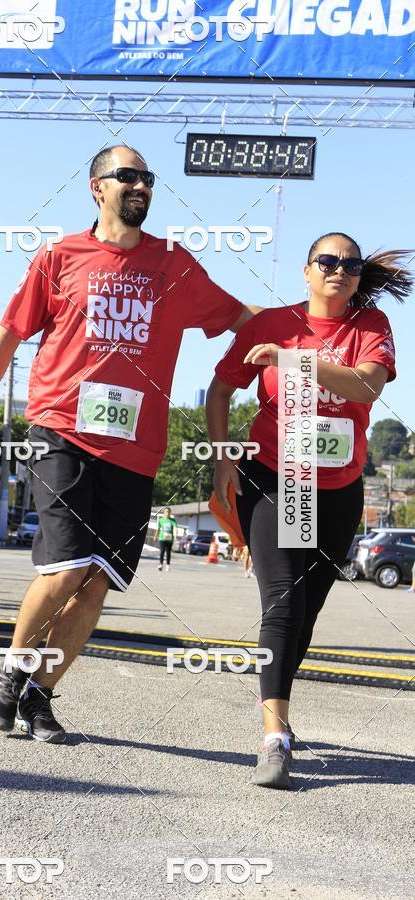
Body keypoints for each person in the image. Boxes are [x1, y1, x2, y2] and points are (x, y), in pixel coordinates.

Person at [0, 144, 262, 744]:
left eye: (147, 177)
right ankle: (9, 674)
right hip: (61, 429)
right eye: (128, 176)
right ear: (97, 187)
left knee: (97, 584)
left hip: (136, 450)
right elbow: (8, 337)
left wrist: (308, 328)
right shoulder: (59, 256)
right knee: (67, 567)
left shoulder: (174, 265)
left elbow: (238, 314)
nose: (141, 185)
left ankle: (40, 698)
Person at [207, 232, 412, 788]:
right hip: (277, 476)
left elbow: (366, 389)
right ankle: (275, 735)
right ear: (306, 270)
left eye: (349, 264)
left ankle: (277, 709)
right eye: (327, 261)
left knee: (306, 613)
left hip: (339, 487)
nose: (338, 271)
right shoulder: (271, 322)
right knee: (283, 600)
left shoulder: (370, 328)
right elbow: (220, 390)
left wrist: (295, 360)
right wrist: (224, 461)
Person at [155, 507, 177, 571]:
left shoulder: (173, 520)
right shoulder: (161, 520)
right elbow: (158, 529)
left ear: (170, 513)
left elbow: (175, 528)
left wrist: (176, 534)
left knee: (168, 552)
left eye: (168, 512)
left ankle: (168, 565)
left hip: (170, 539)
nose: (167, 513)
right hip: (162, 538)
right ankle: (161, 564)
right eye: (166, 512)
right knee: (162, 551)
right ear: (164, 513)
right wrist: (155, 536)